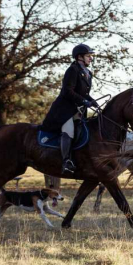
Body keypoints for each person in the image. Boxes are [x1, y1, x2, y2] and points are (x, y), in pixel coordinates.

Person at [41, 44, 98, 175]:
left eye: (91, 56)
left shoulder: (88, 73)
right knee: (69, 131)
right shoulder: (72, 70)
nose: (91, 58)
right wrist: (84, 101)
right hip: (64, 110)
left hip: (78, 110)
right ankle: (66, 161)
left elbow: (83, 93)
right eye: (88, 56)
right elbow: (68, 91)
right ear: (80, 57)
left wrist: (91, 100)